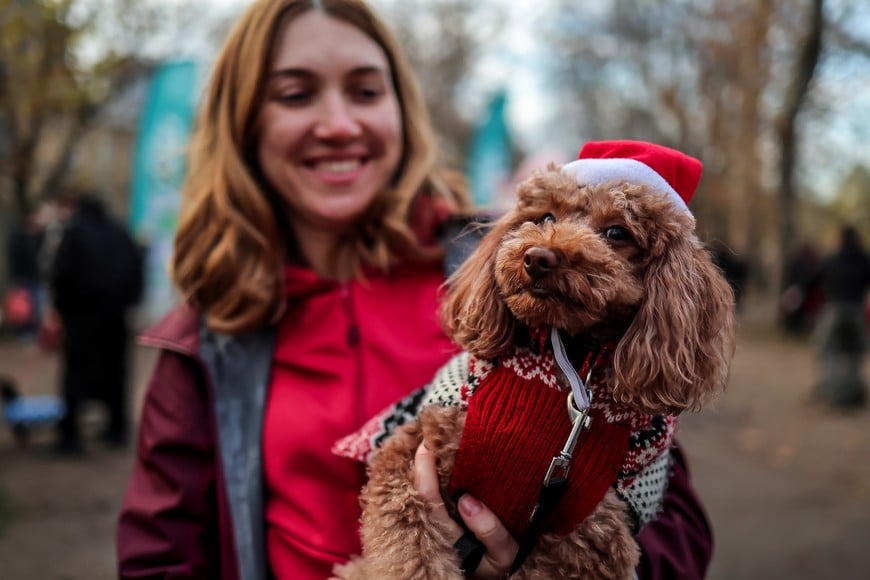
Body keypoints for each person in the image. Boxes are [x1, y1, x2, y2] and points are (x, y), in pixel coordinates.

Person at [116, 1, 714, 579]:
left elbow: (675, 526)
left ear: (402, 110)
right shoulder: (206, 336)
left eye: (365, 91)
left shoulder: (503, 269)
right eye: (296, 95)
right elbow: (161, 559)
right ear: (244, 123)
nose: (339, 124)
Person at [50, 194, 144, 453]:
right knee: (117, 372)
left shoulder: (75, 232)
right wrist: (130, 302)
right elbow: (137, 266)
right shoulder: (120, 231)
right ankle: (118, 429)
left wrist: (62, 308)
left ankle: (70, 437)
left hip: (81, 317)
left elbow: (61, 273)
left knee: (75, 374)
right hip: (115, 316)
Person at [812, 226, 870, 409]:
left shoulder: (831, 259)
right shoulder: (864, 259)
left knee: (826, 348)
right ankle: (854, 389)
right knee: (855, 351)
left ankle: (831, 389)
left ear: (841, 239)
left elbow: (814, 279)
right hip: (856, 310)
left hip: (834, 309)